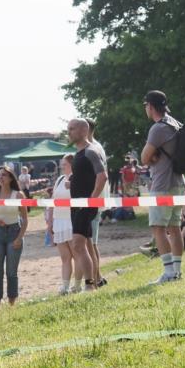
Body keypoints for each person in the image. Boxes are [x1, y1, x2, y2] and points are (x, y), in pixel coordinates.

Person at [141, 90, 185, 284]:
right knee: (175, 228)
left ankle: (168, 273)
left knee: (158, 228)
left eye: (145, 106)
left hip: (162, 184)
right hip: (178, 182)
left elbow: (144, 158)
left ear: (150, 106)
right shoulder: (175, 123)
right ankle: (177, 271)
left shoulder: (158, 128)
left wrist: (152, 157)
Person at [66, 119, 106, 291]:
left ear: (83, 130)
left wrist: (92, 199)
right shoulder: (79, 153)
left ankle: (89, 286)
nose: (69, 132)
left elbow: (102, 176)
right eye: (68, 129)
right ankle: (93, 284)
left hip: (85, 205)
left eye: (72, 129)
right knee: (86, 245)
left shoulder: (91, 151)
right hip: (76, 205)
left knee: (77, 245)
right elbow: (85, 176)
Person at [0, 166, 29, 306]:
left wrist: (19, 238)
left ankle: (11, 304)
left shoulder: (19, 195)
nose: (1, 177)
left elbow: (25, 220)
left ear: (10, 178)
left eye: (4, 175)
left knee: (11, 272)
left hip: (14, 232)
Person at [47, 154, 79, 294]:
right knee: (65, 257)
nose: (61, 166)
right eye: (61, 164)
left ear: (72, 164)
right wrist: (50, 222)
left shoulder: (77, 179)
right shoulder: (60, 179)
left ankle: (77, 285)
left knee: (77, 255)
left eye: (64, 164)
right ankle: (65, 286)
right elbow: (53, 201)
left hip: (71, 220)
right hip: (58, 221)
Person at [85, 118, 109, 287]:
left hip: (93, 199)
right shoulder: (97, 146)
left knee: (90, 242)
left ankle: (96, 279)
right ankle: (98, 276)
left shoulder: (92, 148)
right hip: (96, 199)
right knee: (91, 242)